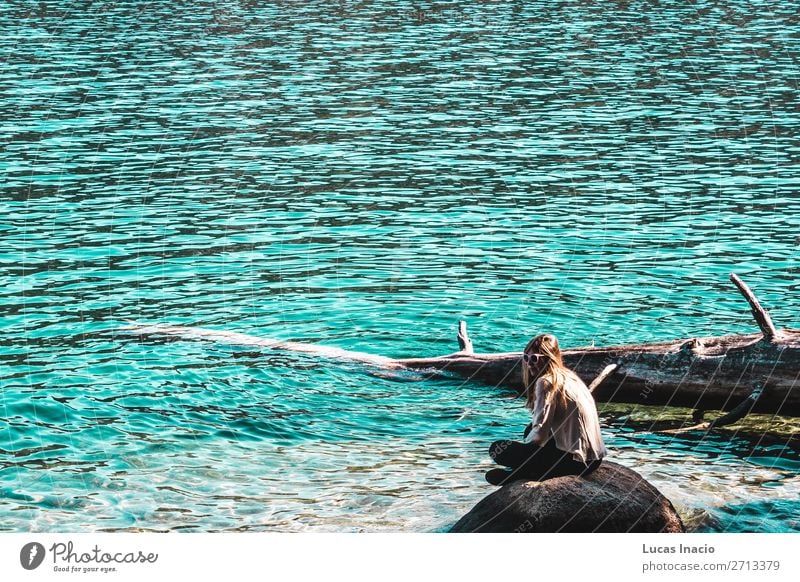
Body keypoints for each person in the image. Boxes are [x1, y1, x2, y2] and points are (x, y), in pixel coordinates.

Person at [485, 333, 607, 486]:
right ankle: (525, 471)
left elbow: (539, 434)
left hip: (575, 463)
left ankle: (525, 473)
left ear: (549, 357)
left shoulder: (546, 382)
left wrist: (524, 448)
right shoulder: (571, 377)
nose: (530, 363)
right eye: (526, 358)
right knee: (529, 429)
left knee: (497, 449)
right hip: (594, 460)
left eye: (535, 358)